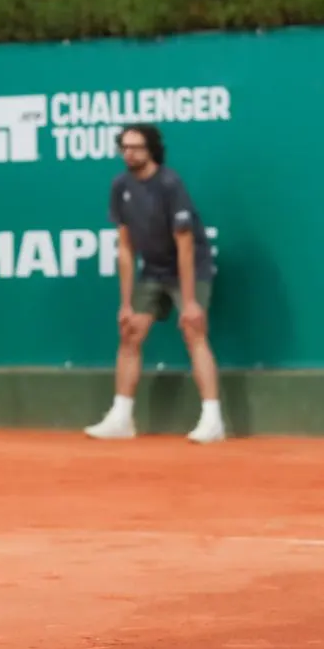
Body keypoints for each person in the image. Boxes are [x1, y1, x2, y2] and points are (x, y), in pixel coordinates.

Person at [84, 124, 224, 443]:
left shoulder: (170, 184)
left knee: (193, 330)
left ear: (152, 150)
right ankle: (121, 417)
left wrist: (189, 302)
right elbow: (125, 248)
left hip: (190, 269)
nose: (129, 153)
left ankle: (213, 420)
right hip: (153, 270)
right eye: (124, 147)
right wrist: (125, 304)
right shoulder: (120, 186)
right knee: (131, 332)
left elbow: (186, 246)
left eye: (136, 147)